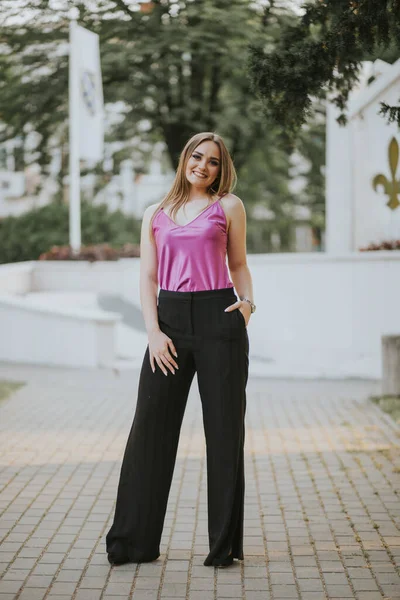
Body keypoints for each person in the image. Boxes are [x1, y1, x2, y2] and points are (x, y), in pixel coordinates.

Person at [106, 131, 256, 568]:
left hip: (218, 317)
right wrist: (152, 331)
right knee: (149, 430)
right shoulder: (155, 212)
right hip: (168, 321)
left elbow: (240, 263)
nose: (203, 166)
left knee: (225, 432)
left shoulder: (228, 206)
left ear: (220, 168)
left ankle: (223, 544)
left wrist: (246, 306)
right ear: (184, 159)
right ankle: (133, 542)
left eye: (212, 161)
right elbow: (148, 277)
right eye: (197, 156)